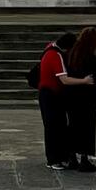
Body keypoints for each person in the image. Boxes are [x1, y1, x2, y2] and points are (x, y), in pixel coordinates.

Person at [61, 26, 96, 171]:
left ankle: (72, 157)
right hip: (87, 97)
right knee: (87, 128)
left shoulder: (71, 54)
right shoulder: (91, 57)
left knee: (73, 126)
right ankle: (84, 158)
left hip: (71, 95)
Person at [34, 34, 68, 168]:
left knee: (53, 126)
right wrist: (85, 81)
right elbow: (64, 79)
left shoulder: (49, 49)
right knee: (54, 126)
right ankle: (54, 159)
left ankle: (56, 157)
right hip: (51, 94)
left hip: (46, 93)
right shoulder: (55, 55)